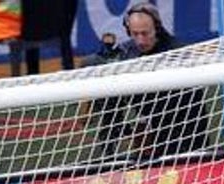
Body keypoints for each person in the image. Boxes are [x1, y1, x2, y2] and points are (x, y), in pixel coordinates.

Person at [87, 2, 208, 161]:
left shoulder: (177, 53)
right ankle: (108, 153)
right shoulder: (126, 53)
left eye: (145, 33)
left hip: (185, 135)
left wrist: (146, 126)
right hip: (151, 133)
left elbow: (188, 108)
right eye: (135, 34)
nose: (140, 40)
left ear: (156, 29)